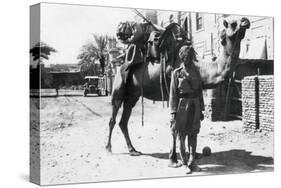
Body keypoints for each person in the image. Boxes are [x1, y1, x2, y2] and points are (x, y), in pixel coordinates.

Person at [169, 45, 204, 174]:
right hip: (182, 106)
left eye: (190, 56)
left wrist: (201, 109)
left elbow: (200, 92)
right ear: (182, 57)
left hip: (195, 105)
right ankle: (184, 163)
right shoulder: (177, 73)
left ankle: (192, 161)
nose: (188, 59)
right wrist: (173, 112)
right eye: (185, 57)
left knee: (193, 134)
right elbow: (173, 94)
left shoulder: (196, 72)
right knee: (182, 135)